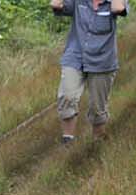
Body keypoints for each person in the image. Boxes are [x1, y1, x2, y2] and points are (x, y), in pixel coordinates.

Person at [51, 0, 127, 143]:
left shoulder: (114, 3)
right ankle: (68, 141)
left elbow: (118, 9)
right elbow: (56, 5)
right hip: (75, 55)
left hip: (103, 60)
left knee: (98, 107)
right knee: (67, 96)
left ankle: (97, 142)